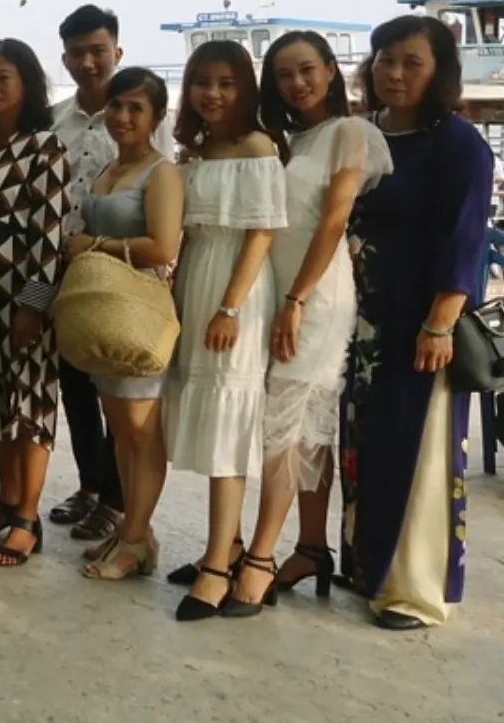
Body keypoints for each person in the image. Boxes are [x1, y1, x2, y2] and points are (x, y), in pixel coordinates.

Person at [343, 15, 493, 631]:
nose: (394, 72)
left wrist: (438, 324)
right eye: (384, 59)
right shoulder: (360, 134)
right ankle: (370, 568)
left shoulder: (457, 143)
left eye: (411, 62)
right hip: (360, 324)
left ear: (439, 72)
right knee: (365, 449)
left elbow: (465, 240)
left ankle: (415, 588)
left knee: (422, 450)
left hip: (421, 325)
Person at [232, 33, 391, 606]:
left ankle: (259, 555)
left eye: (307, 70)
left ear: (330, 71)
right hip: (280, 292)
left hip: (316, 297)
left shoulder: (350, 133)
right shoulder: (288, 140)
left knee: (286, 429)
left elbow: (333, 222)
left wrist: (297, 299)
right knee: (306, 429)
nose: (296, 83)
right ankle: (312, 547)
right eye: (283, 75)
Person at [162, 40, 287, 621]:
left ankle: (217, 563)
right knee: (206, 418)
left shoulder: (258, 147)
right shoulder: (200, 148)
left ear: (245, 89)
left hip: (235, 288)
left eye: (226, 83)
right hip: (196, 279)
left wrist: (230, 308)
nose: (211, 94)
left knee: (229, 429)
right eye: (201, 82)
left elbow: (263, 232)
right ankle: (227, 545)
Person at [48, 5, 170, 544]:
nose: (88, 61)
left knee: (120, 395)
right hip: (64, 271)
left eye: (98, 50)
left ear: (116, 52)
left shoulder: (152, 138)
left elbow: (167, 227)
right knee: (75, 382)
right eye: (77, 53)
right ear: (65, 59)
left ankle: (121, 504)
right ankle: (91, 486)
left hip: (127, 284)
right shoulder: (55, 121)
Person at [0, 39, 69, 568]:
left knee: (30, 402)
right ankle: (4, 501)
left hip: (22, 287)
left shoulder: (45, 147)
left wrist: (35, 303)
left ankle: (28, 515)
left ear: (27, 83)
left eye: (4, 78)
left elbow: (50, 236)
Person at [65, 67, 183, 580]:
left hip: (140, 314)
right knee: (120, 429)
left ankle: (134, 538)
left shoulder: (162, 173)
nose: (122, 117)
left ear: (156, 116)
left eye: (136, 108)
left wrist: (92, 246)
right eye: (116, 106)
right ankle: (136, 532)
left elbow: (164, 246)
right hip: (103, 316)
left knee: (140, 431)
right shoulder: (107, 171)